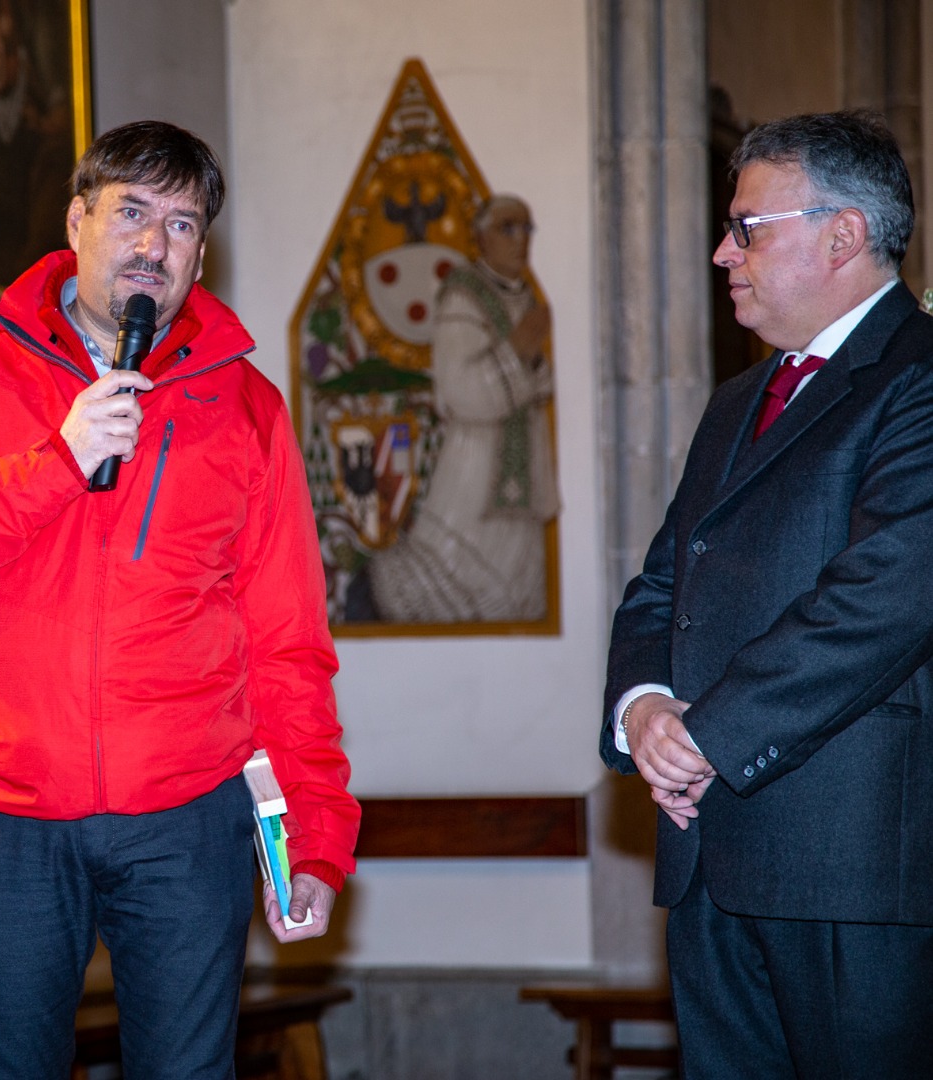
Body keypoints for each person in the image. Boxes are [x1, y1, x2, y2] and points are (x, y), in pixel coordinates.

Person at [0, 120, 359, 1079]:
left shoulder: (247, 408)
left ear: (201, 256)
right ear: (76, 221)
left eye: (183, 224)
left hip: (187, 819)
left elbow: (287, 643)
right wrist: (56, 464)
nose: (155, 244)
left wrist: (316, 837)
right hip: (4, 819)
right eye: (132, 213)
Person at [602, 111, 933, 1077]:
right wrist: (644, 709)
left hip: (848, 864)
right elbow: (663, 583)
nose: (723, 253)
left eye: (746, 228)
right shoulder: (737, 402)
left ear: (843, 236)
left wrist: (706, 738)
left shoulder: (917, 378)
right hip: (709, 857)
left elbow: (883, 600)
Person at [365, 194, 557, 623]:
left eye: (526, 229)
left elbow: (543, 383)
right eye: (508, 228)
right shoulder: (463, 296)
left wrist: (530, 363)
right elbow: (459, 390)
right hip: (475, 467)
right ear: (481, 238)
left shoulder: (528, 299)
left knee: (519, 590)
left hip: (524, 468)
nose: (521, 239)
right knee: (454, 572)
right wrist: (518, 351)